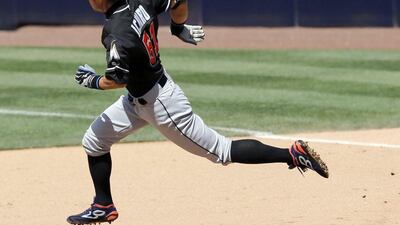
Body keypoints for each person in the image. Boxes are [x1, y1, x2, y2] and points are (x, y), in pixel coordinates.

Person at [66, 0, 329, 224]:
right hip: (141, 96)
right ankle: (103, 206)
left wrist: (92, 80)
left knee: (222, 151)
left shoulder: (116, 31)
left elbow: (117, 79)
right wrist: (178, 27)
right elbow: (178, 1)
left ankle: (292, 155)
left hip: (162, 106)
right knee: (95, 140)